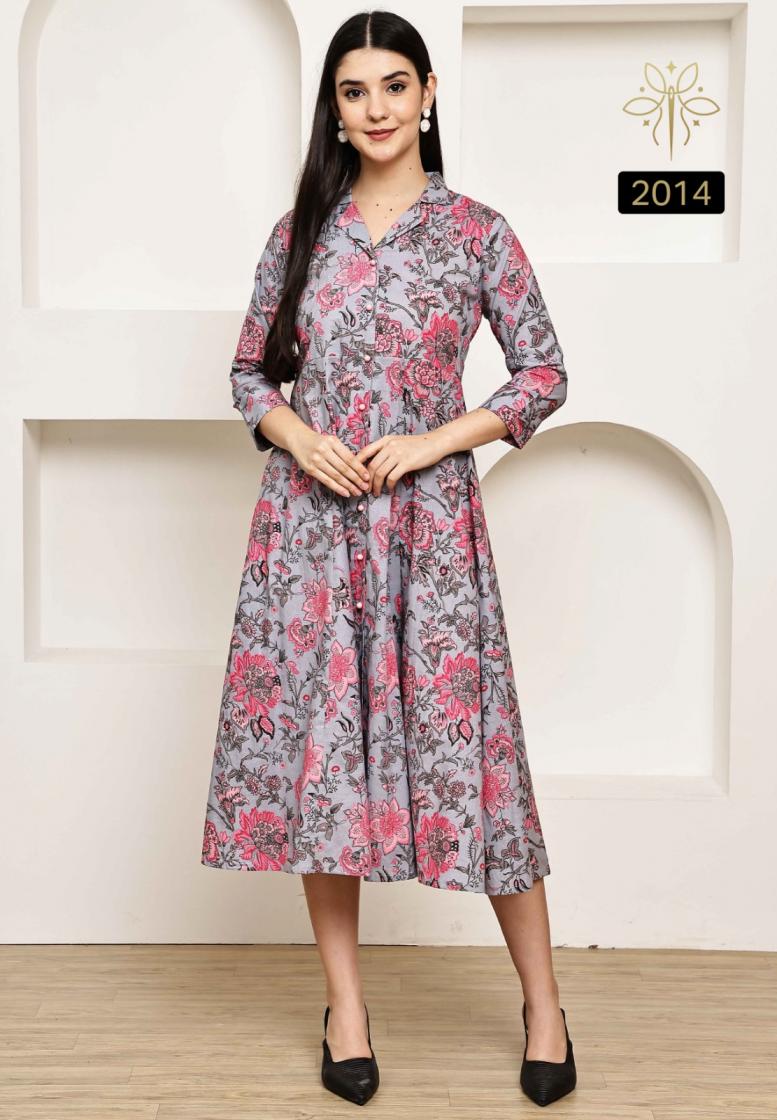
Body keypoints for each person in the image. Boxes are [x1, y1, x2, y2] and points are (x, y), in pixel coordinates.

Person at [201, 9, 576, 1108]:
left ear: (427, 95)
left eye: (393, 85)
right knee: (324, 767)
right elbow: (248, 375)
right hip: (310, 533)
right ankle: (346, 1009)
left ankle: (544, 1007)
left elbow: (543, 373)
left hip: (430, 532)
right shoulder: (299, 234)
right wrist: (299, 437)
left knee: (479, 762)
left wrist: (433, 439)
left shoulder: (477, 233)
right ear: (334, 110)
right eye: (353, 90)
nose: (374, 108)